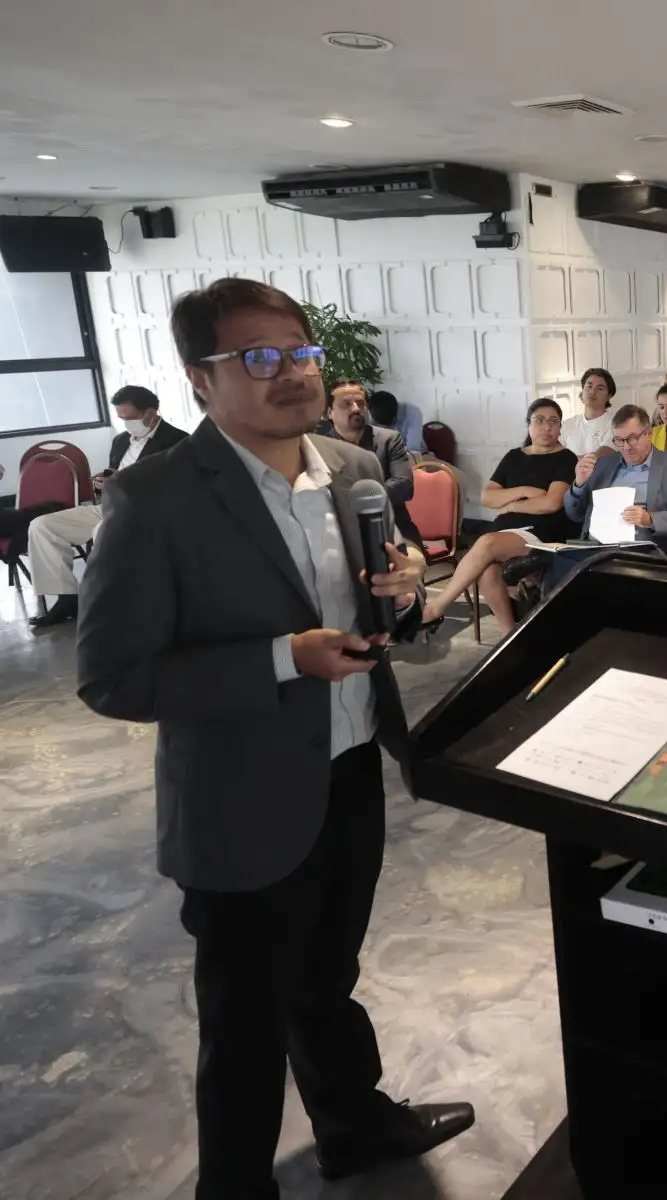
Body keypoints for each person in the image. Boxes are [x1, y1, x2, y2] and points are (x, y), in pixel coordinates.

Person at [74, 277, 469, 1198]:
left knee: (329, 973)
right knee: (243, 1023)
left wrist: (407, 593)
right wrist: (282, 659)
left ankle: (353, 1124)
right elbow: (111, 677)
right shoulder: (154, 500)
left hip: (349, 771)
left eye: (298, 352)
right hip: (239, 801)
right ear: (199, 381)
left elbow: (389, 615)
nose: (289, 372)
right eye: (257, 357)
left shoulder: (355, 471)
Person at [26, 385, 189, 630]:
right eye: (121, 418)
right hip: (110, 505)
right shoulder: (121, 440)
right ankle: (67, 598)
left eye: (130, 418)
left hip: (146, 512)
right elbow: (115, 473)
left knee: (103, 530)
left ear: (151, 413)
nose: (125, 423)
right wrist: (105, 480)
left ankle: (107, 601)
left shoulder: (178, 441)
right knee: (42, 525)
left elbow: (177, 487)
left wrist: (124, 483)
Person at [420, 398, 577, 635]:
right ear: (528, 425)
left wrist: (511, 506)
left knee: (486, 543)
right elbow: (488, 497)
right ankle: (510, 636)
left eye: (553, 422)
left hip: (542, 533)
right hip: (506, 533)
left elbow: (550, 503)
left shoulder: (566, 458)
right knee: (487, 571)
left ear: (560, 428)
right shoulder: (514, 456)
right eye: (540, 420)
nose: (547, 427)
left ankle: (436, 607)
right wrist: (523, 492)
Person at [552, 404, 667, 584]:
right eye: (619, 440)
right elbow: (574, 514)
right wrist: (579, 484)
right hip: (596, 549)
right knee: (555, 566)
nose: (626, 447)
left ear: (649, 433)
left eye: (632, 438)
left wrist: (651, 519)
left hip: (646, 551)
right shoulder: (603, 465)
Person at [319, 379, 421, 547]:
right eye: (346, 404)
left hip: (393, 531)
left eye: (360, 403)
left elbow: (404, 486)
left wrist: (353, 502)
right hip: (340, 537)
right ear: (330, 413)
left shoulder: (388, 439)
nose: (356, 409)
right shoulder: (320, 446)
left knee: (411, 564)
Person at [565, 367, 617, 457]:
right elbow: (555, 455)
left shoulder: (615, 425)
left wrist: (567, 460)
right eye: (589, 386)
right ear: (582, 391)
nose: (593, 392)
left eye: (600, 388)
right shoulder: (566, 425)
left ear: (609, 396)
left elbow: (598, 459)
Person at [365, 389, 425, 453]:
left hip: (418, 454)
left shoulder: (412, 412)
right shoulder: (371, 415)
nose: (388, 427)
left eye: (390, 424)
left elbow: (413, 448)